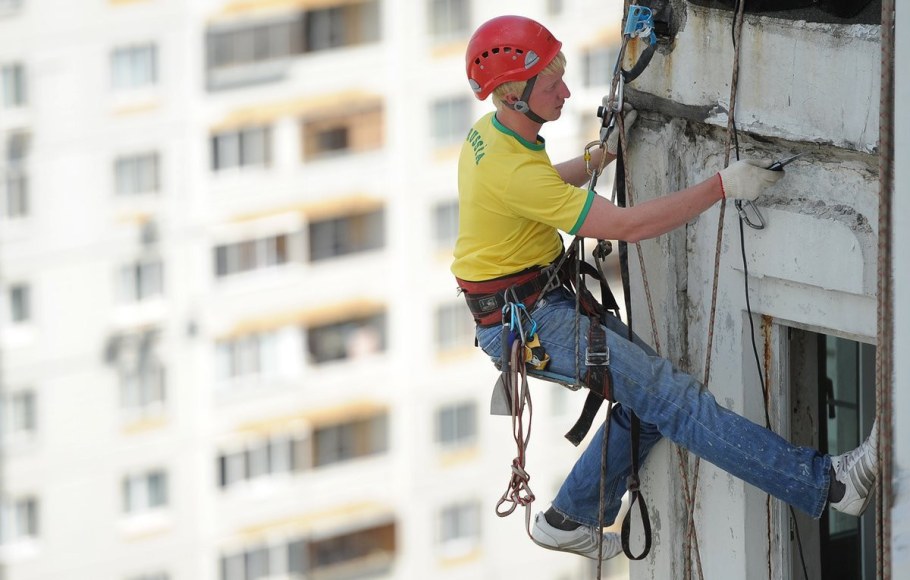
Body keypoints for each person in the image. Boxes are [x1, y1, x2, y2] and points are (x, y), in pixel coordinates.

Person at [452, 15, 879, 562]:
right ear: (514, 96)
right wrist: (722, 185)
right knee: (677, 402)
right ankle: (834, 486)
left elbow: (538, 187)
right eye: (550, 83)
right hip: (532, 321)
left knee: (652, 403)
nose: (564, 89)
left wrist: (597, 157)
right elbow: (627, 225)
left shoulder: (491, 137)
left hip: (534, 303)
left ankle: (571, 516)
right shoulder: (512, 169)